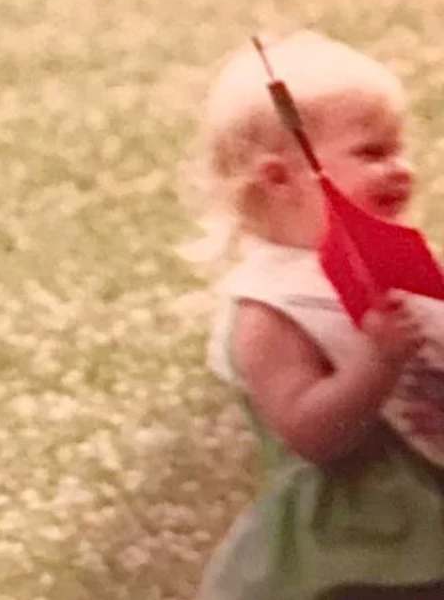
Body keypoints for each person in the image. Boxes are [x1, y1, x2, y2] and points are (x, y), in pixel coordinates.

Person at [188, 31, 444, 599]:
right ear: (282, 177)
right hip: (348, 550)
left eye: (400, 149)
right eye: (373, 152)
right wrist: (377, 362)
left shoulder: (399, 264)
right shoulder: (270, 306)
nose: (401, 168)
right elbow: (311, 435)